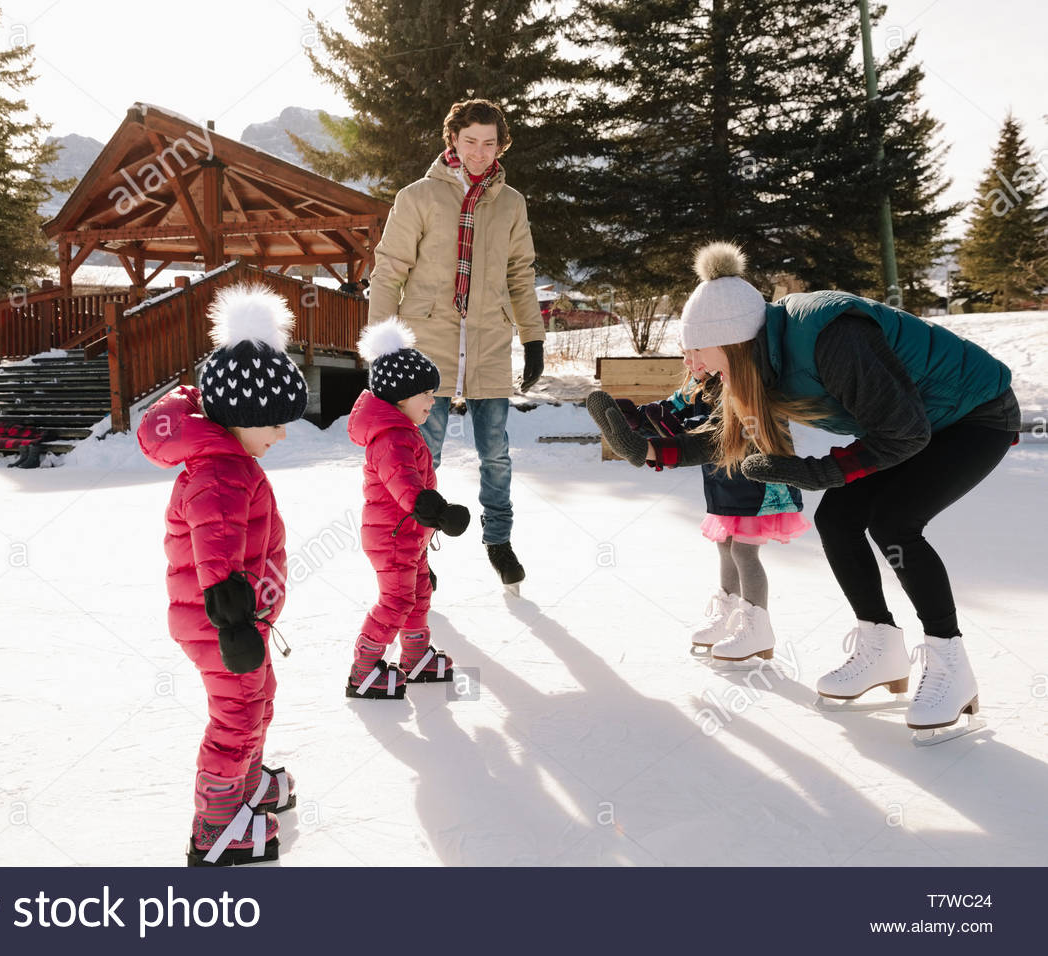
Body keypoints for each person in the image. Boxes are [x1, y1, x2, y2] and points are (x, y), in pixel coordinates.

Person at [589, 242, 1019, 742]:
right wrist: (648, 451)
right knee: (837, 519)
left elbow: (904, 433)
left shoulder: (832, 335)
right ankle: (881, 645)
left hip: (974, 415)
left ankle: (950, 665)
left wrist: (814, 472)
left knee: (894, 521)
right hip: (911, 422)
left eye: (697, 351)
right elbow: (725, 438)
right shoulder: (754, 361)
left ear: (730, 340)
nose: (694, 365)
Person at [137, 284, 309, 865]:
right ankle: (215, 825)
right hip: (220, 622)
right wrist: (235, 623)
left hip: (236, 618)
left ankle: (245, 785)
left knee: (258, 698)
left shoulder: (232, 461)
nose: (282, 434)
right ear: (244, 416)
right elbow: (216, 553)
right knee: (236, 711)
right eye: (275, 423)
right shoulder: (220, 473)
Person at [367, 98, 545, 590]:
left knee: (496, 453)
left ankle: (499, 540)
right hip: (428, 345)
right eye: (471, 142)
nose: (480, 153)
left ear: (499, 145)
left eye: (490, 143)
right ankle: (417, 549)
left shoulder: (510, 203)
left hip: (488, 340)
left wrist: (533, 337)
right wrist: (383, 344)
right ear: (453, 141)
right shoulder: (418, 197)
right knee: (424, 456)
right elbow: (389, 271)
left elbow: (520, 274)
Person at [593, 369, 809, 661]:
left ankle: (758, 627)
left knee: (745, 552)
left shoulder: (745, 383)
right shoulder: (697, 385)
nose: (690, 362)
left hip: (758, 481)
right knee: (726, 546)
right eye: (686, 354)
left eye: (695, 352)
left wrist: (674, 431)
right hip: (725, 484)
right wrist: (637, 418)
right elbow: (669, 409)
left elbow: (717, 434)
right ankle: (728, 614)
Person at [346, 319, 470, 699]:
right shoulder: (391, 437)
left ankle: (415, 656)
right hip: (394, 535)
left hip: (409, 534)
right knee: (397, 600)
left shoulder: (401, 430)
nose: (433, 402)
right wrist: (434, 509)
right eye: (426, 394)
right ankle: (364, 669)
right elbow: (403, 483)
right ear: (400, 397)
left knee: (418, 595)